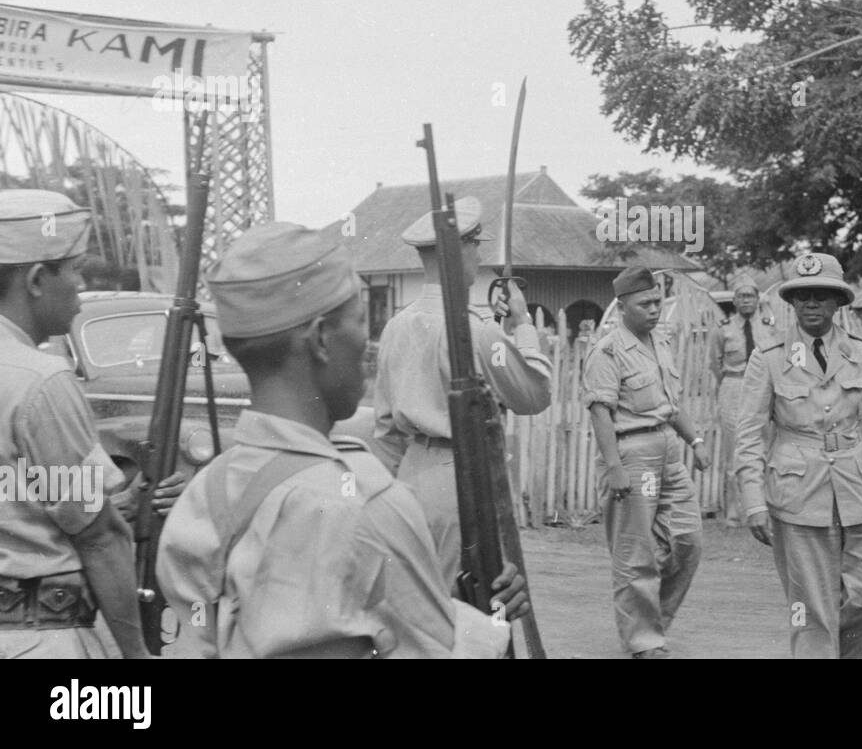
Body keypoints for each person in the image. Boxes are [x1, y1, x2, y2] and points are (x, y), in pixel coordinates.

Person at [156, 221, 528, 658]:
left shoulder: (208, 492)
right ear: (319, 340)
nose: (366, 343)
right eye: (357, 322)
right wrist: (492, 621)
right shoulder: (370, 504)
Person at [734, 253, 862, 659]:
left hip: (861, 491)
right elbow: (748, 435)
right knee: (811, 611)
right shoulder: (769, 357)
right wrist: (753, 502)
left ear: (838, 302)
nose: (811, 304)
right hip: (798, 496)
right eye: (802, 296)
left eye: (821, 295)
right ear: (791, 303)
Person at [370, 198, 552, 592]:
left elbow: (385, 430)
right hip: (464, 480)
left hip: (410, 479)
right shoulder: (477, 331)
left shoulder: (395, 327)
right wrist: (521, 325)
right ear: (462, 250)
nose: (480, 254)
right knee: (476, 608)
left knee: (420, 604)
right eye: (477, 244)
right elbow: (534, 394)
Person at [0, 190, 149, 659]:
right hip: (37, 637)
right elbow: (97, 536)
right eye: (76, 270)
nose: (82, 289)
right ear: (38, 279)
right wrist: (136, 654)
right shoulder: (41, 380)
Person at [582, 266, 710, 659]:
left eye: (658, 301)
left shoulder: (661, 341)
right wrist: (615, 466)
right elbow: (600, 412)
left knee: (688, 541)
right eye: (646, 303)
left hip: (668, 449)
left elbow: (670, 404)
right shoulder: (606, 350)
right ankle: (644, 641)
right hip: (631, 453)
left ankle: (651, 621)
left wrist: (696, 439)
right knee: (636, 553)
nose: (655, 309)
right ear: (622, 307)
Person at [706, 275, 773, 526]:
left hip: (763, 388)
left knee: (765, 447)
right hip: (733, 384)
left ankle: (762, 508)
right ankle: (734, 512)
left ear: (758, 300)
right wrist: (730, 382)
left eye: (751, 296)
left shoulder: (768, 326)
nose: (746, 300)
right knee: (734, 450)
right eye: (741, 296)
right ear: (734, 301)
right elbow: (714, 362)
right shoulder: (723, 328)